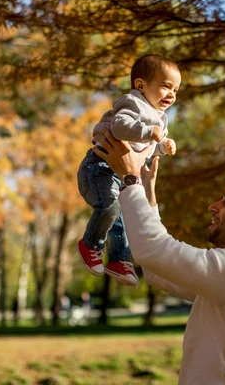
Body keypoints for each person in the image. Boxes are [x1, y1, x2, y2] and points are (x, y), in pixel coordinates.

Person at [92, 129, 225, 385]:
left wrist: (130, 179)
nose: (214, 207)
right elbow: (157, 268)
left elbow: (153, 251)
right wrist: (146, 193)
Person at [76, 54, 181, 287]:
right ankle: (91, 244)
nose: (172, 94)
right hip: (99, 167)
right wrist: (149, 132)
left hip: (120, 173)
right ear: (141, 85)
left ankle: (119, 259)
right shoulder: (132, 103)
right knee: (112, 206)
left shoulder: (160, 120)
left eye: (176, 90)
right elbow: (120, 127)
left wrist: (163, 147)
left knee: (125, 215)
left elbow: (147, 149)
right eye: (166, 87)